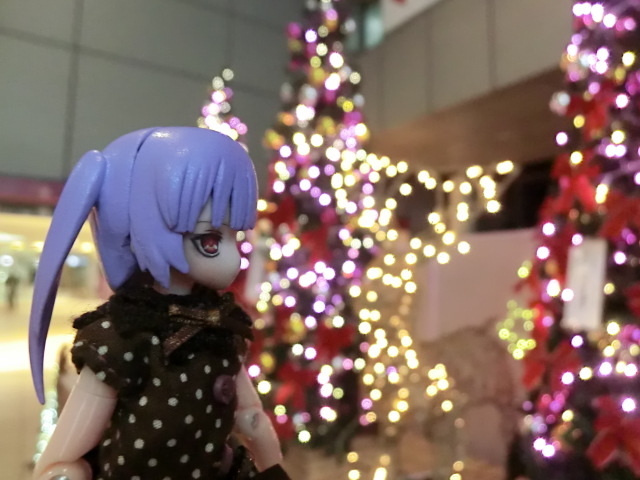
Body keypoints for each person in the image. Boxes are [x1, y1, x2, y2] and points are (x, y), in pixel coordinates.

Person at [29, 127, 289, 480]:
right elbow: (68, 451)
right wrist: (61, 470)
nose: (234, 260)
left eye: (235, 237)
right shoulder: (125, 336)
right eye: (210, 241)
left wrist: (273, 469)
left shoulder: (217, 326)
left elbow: (250, 415)